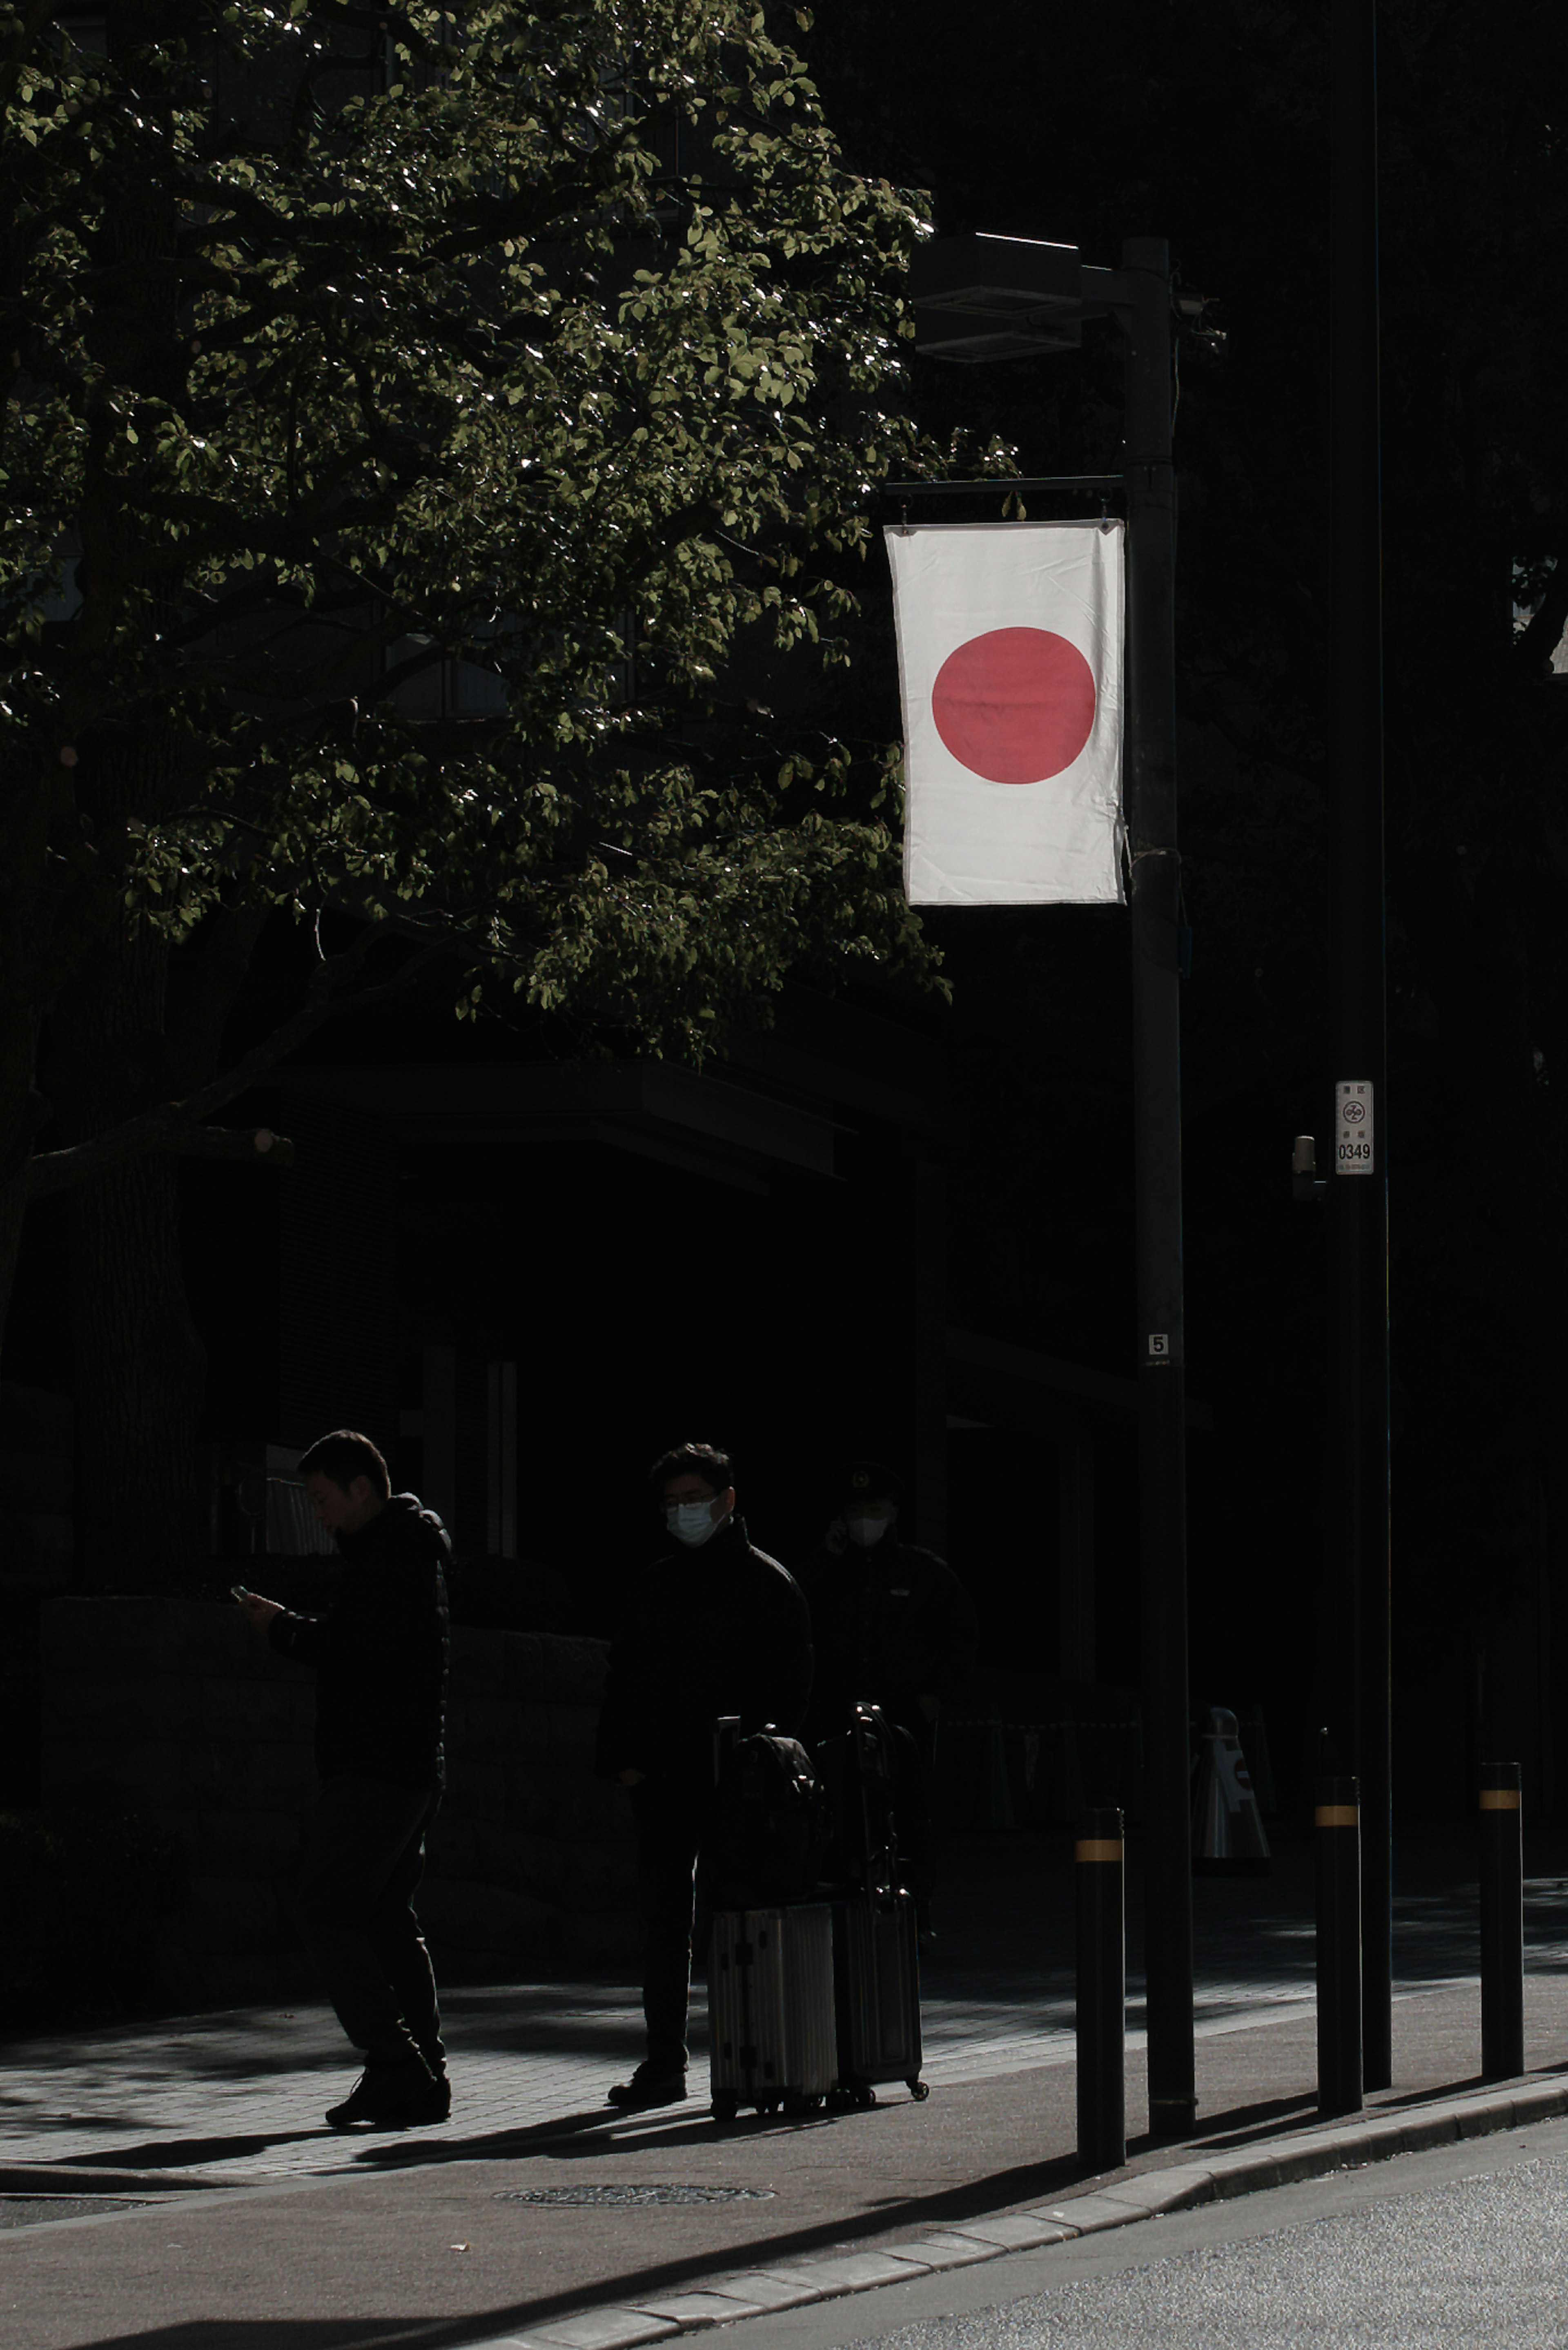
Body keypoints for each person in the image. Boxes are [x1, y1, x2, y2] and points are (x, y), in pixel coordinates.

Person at [236, 1429, 451, 2131]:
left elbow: (356, 1651)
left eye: (324, 1498)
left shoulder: (389, 1555)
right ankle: (423, 2074)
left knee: (328, 1911)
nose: (320, 1515)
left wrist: (281, 1628)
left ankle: (397, 2060)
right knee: (387, 1915)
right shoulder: (401, 1548)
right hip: (406, 1765)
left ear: (363, 1487)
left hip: (377, 1766)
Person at [595, 1440, 813, 2111]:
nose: (682, 1512)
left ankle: (750, 2054)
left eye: (694, 1499)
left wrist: (759, 1765)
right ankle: (666, 2061)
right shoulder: (656, 1582)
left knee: (737, 1920)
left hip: (736, 1785)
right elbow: (625, 1676)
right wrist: (624, 1759)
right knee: (664, 1922)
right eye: (672, 1502)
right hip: (662, 1779)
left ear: (727, 1501)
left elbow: (791, 1692)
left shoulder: (765, 1583)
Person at [802, 1461, 978, 1938]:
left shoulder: (923, 1573)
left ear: (894, 1512)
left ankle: (915, 1911)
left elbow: (960, 1638)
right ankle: (844, 1909)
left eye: (874, 1508)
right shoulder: (828, 1570)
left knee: (908, 1813)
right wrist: (826, 1557)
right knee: (836, 1812)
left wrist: (934, 1696)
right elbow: (797, 1618)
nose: (865, 1518)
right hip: (835, 1716)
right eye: (855, 1509)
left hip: (901, 1717)